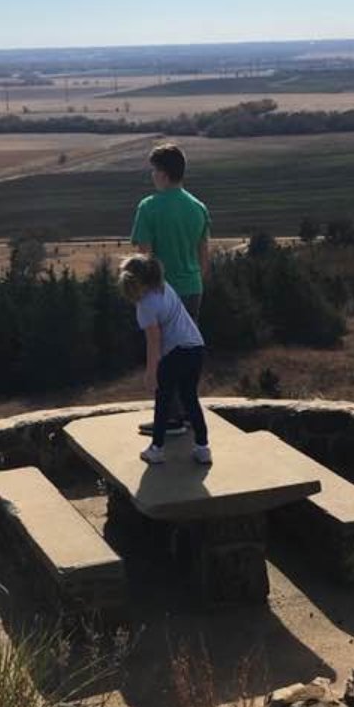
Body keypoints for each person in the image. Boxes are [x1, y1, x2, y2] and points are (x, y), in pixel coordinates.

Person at [130, 142, 211, 436]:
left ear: (163, 174)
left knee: (163, 354)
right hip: (192, 288)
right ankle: (188, 414)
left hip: (163, 291)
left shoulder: (149, 207)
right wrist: (195, 280)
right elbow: (204, 257)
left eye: (154, 171)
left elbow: (144, 258)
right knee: (187, 351)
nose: (152, 176)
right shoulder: (198, 207)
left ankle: (170, 418)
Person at [118, 253, 211, 466]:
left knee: (163, 399)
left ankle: (156, 449)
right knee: (190, 398)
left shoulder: (145, 306)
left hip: (175, 351)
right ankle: (203, 447)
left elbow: (154, 341)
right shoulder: (164, 287)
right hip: (196, 346)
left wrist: (152, 373)